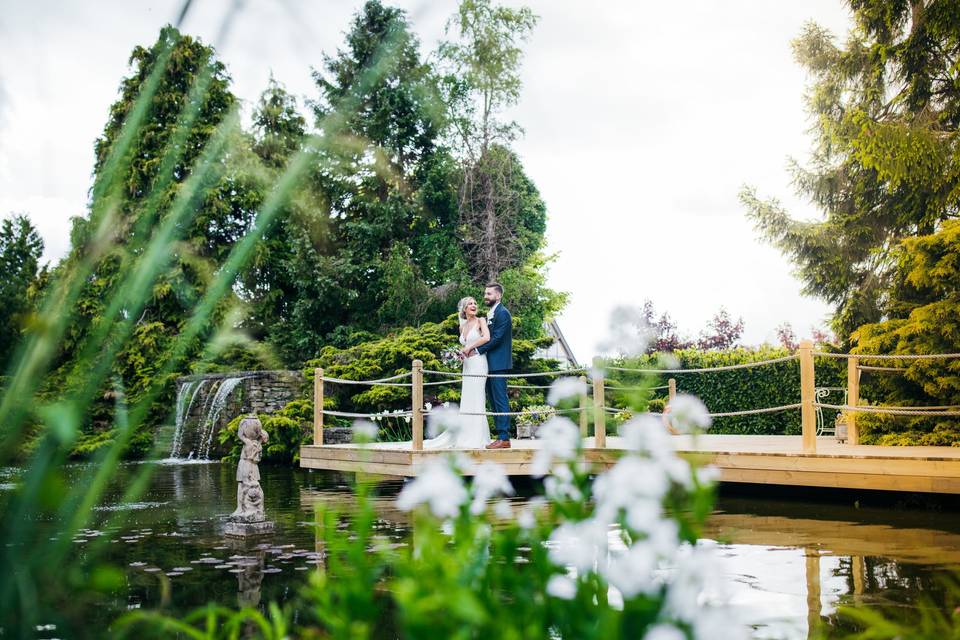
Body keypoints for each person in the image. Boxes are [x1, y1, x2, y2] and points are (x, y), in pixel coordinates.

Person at [423, 296, 491, 449]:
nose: (474, 305)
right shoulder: (462, 327)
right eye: (470, 304)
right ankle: (464, 434)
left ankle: (477, 437)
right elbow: (463, 343)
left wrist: (469, 347)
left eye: (475, 303)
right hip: (466, 365)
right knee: (467, 398)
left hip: (479, 362)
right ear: (464, 309)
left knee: (477, 397)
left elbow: (487, 337)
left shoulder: (481, 320)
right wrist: (459, 353)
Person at [474, 283, 513, 449]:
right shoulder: (491, 313)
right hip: (487, 364)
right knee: (493, 401)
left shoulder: (503, 313)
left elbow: (496, 338)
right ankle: (500, 436)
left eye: (489, 294)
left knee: (500, 400)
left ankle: (504, 438)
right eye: (485, 293)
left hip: (498, 363)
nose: (485, 296)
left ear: (498, 296)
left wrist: (477, 350)